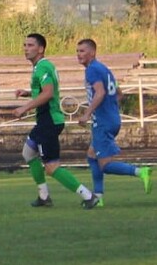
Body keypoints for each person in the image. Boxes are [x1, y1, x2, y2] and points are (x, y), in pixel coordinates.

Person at [14, 32, 96, 209]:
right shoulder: (42, 66)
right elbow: (46, 90)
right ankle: (43, 196)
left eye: (30, 45)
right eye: (25, 45)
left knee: (51, 166)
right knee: (28, 153)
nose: (26, 49)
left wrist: (24, 107)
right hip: (46, 121)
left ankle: (88, 196)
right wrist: (27, 93)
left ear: (41, 49)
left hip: (49, 121)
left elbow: (49, 93)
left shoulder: (42, 67)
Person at [74, 38, 150, 206]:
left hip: (102, 121)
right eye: (77, 51)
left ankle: (140, 171)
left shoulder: (92, 70)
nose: (79, 54)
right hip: (112, 118)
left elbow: (100, 93)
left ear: (92, 52)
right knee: (92, 155)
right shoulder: (104, 69)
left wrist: (87, 114)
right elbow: (119, 93)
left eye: (82, 51)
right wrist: (110, 108)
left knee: (105, 165)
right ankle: (98, 197)